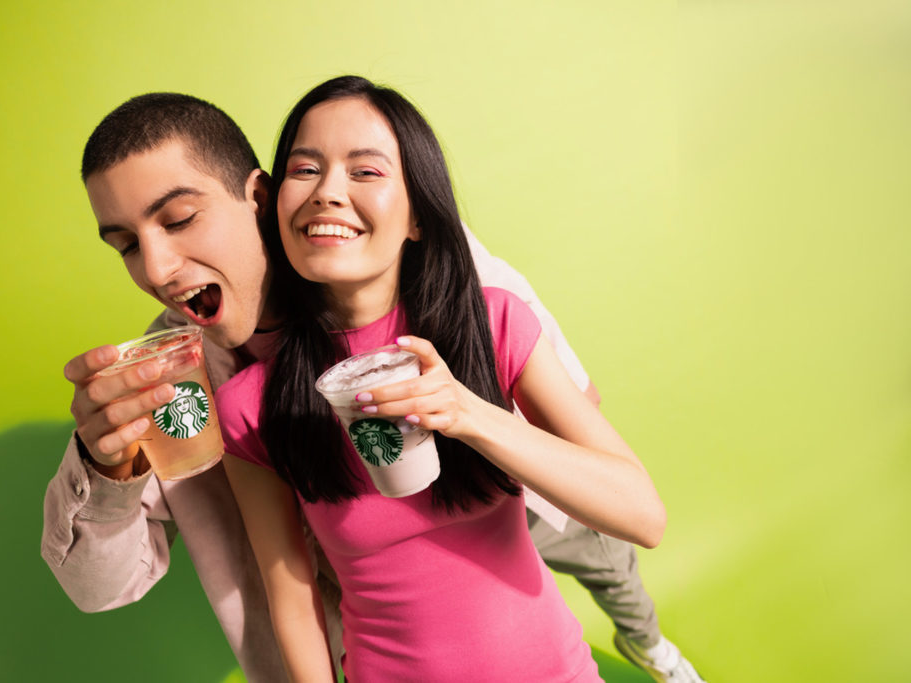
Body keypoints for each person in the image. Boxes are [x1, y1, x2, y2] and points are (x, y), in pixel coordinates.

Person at [41, 91, 704, 682]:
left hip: (509, 494)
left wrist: (480, 421)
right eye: (125, 244)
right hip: (377, 623)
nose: (155, 268)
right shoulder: (189, 384)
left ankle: (647, 644)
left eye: (179, 219)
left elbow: (599, 448)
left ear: (260, 200)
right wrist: (108, 467)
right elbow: (116, 587)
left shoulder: (420, 258)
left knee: (610, 565)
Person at [216, 75, 664, 681]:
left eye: (365, 172)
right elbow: (290, 596)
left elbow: (643, 517)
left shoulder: (495, 322)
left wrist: (468, 412)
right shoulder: (251, 404)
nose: (328, 192)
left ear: (418, 218)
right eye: (305, 169)